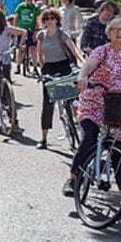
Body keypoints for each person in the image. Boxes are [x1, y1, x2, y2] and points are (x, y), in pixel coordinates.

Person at [64, 16, 121, 219]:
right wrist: (82, 78)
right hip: (95, 102)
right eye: (115, 29)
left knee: (119, 150)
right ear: (109, 33)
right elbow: (88, 66)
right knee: (90, 137)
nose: (120, 32)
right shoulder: (103, 51)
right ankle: (73, 178)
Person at [32, 8, 84, 149]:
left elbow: (74, 50)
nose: (49, 21)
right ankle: (44, 139)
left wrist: (84, 64)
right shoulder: (41, 35)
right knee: (47, 104)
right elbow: (39, 53)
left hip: (64, 67)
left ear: (57, 20)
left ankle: (80, 127)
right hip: (49, 69)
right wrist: (40, 69)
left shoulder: (63, 35)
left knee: (73, 100)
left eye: (52, 18)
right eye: (47, 19)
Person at [12, 0, 41, 75]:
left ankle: (35, 67)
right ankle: (18, 66)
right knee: (20, 48)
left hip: (31, 29)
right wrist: (16, 29)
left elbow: (37, 21)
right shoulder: (21, 6)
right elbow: (16, 18)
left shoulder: (35, 8)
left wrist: (35, 32)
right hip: (22, 30)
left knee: (33, 49)